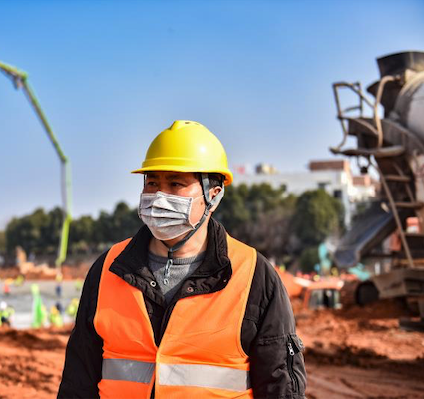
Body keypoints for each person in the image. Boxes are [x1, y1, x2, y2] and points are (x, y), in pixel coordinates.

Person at [58, 121, 306, 398]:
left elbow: (280, 385)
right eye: (152, 183)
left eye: (175, 183)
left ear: (214, 194)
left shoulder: (253, 274)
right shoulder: (109, 268)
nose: (159, 197)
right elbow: (78, 379)